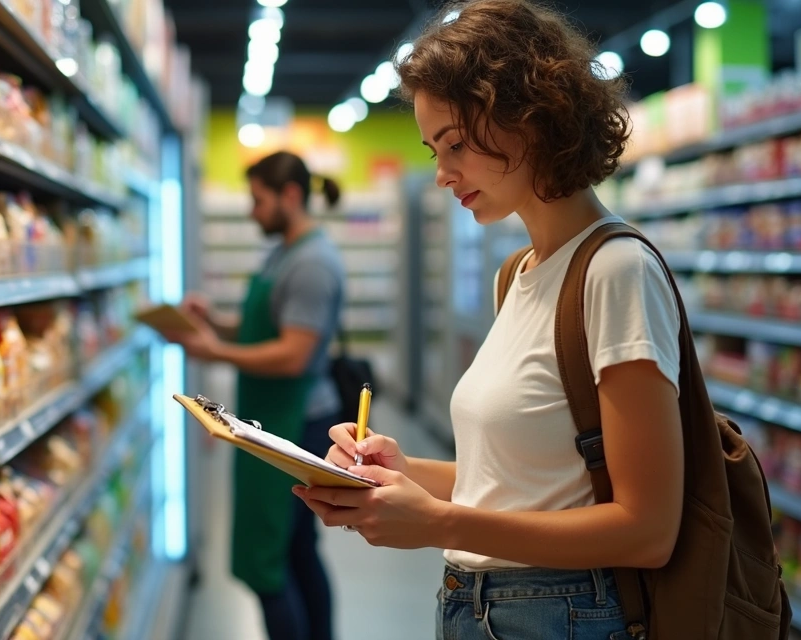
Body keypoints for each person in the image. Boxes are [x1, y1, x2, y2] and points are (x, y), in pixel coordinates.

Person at [294, 2, 686, 639]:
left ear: (531, 116)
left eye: (455, 144)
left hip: (560, 618)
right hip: (479, 610)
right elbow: (525, 484)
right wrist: (403, 472)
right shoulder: (519, 273)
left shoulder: (616, 271)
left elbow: (647, 530)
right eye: (434, 150)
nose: (442, 174)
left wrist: (440, 524)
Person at [164, 151, 345, 640]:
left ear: (290, 195)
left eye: (258, 200)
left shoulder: (313, 263)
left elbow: (293, 355)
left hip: (297, 426)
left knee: (268, 560)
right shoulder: (285, 251)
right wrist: (213, 321)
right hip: (278, 417)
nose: (251, 211)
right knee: (296, 550)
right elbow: (261, 329)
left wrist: (214, 351)